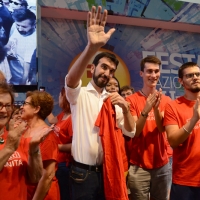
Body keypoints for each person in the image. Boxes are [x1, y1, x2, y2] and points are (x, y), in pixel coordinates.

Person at [65, 6, 136, 200]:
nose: (107, 73)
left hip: (108, 171)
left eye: (111, 70)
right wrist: (92, 47)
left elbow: (131, 131)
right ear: (93, 68)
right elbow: (71, 80)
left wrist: (126, 109)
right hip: (82, 174)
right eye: (103, 67)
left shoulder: (112, 100)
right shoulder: (79, 95)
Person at [126, 55, 171, 200]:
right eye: (149, 71)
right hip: (139, 166)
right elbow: (135, 131)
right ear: (141, 73)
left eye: (156, 71)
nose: (153, 75)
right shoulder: (131, 100)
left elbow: (162, 128)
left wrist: (156, 109)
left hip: (162, 165)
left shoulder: (166, 100)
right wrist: (146, 109)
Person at [0, 82, 53, 200]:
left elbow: (35, 178)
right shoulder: (13, 140)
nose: (3, 110)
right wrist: (9, 148)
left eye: (8, 105)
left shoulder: (18, 137)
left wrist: (34, 149)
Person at [164, 62, 200, 200]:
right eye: (190, 75)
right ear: (181, 81)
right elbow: (173, 141)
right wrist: (194, 119)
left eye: (197, 74)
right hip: (185, 181)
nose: (195, 77)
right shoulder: (173, 107)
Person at [21, 91, 59, 200]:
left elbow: (48, 175)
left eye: (25, 104)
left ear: (36, 109)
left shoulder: (47, 135)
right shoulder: (25, 130)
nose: (22, 107)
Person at [47, 87, 73, 200]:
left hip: (65, 165)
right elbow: (52, 121)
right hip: (57, 161)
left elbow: (75, 146)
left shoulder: (72, 119)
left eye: (60, 96)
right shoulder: (63, 115)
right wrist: (45, 108)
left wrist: (55, 147)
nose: (58, 98)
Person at [6, 8, 36, 85]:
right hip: (9, 72)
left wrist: (21, 86)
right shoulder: (16, 26)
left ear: (34, 25)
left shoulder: (33, 41)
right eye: (18, 25)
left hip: (19, 78)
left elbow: (26, 72)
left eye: (24, 27)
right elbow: (11, 41)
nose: (20, 29)